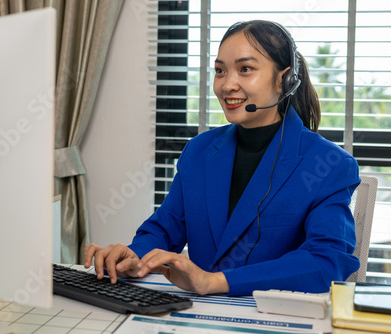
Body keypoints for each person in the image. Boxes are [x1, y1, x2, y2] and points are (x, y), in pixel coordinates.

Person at [84, 20, 360, 296]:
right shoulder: (199, 151)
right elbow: (165, 230)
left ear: (284, 80)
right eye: (220, 71)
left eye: (246, 69)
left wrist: (215, 282)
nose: (227, 85)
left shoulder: (329, 164)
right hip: (196, 315)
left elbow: (326, 261)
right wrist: (134, 258)